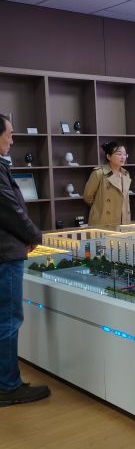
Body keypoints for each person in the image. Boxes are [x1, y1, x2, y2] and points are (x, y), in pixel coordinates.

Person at [0, 113, 50, 407]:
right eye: (9, 134)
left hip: (7, 251)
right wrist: (34, 235)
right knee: (8, 319)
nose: (12, 139)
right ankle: (8, 386)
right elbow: (11, 210)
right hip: (7, 254)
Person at [84, 141, 131, 226]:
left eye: (125, 154)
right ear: (109, 156)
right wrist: (101, 206)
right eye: (119, 154)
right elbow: (88, 196)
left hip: (123, 220)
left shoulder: (126, 174)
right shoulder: (99, 173)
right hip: (103, 221)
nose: (123, 157)